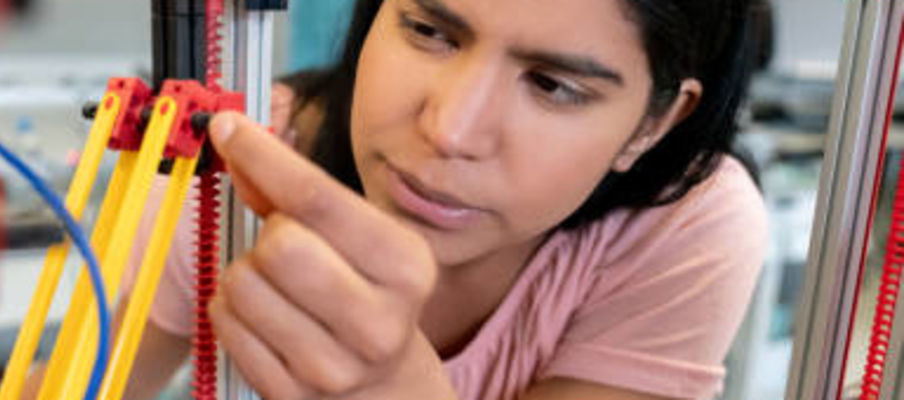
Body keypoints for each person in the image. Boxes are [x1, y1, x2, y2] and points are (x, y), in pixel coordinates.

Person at [57, 0, 769, 398]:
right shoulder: (231, 168)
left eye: (553, 85)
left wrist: (396, 388)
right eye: (429, 31)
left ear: (655, 122)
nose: (449, 129)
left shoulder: (685, 227)